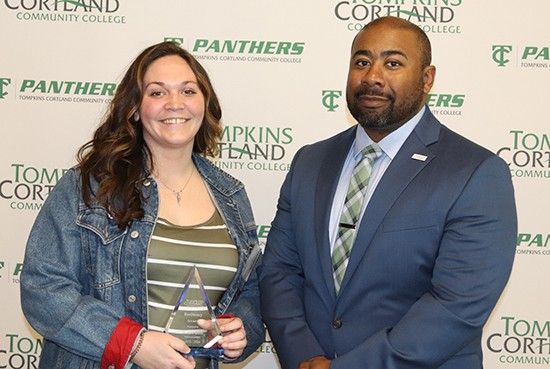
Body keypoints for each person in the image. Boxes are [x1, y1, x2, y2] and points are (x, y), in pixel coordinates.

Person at [259, 16, 517, 369]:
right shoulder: (310, 162)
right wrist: (305, 357)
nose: (372, 77)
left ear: (427, 79)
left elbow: (456, 306)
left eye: (392, 63)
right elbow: (279, 271)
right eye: (361, 62)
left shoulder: (475, 173)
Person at [20, 41, 264, 369]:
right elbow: (42, 287)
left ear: (204, 104)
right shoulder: (89, 186)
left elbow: (253, 291)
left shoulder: (231, 196)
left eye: (188, 91)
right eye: (157, 93)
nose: (174, 103)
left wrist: (242, 328)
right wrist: (131, 344)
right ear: (134, 108)